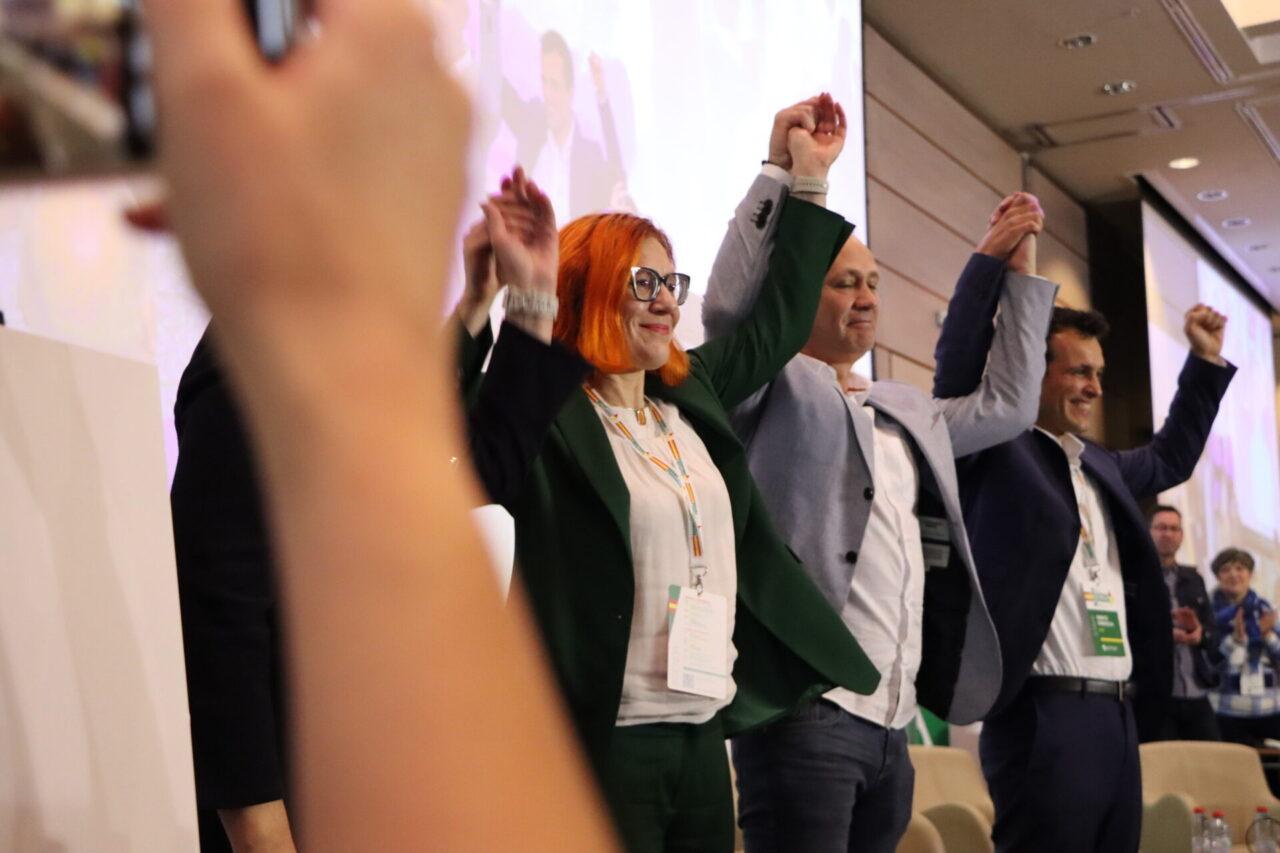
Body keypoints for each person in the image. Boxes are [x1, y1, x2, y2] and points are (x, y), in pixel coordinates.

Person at [146, 0, 617, 848]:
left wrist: (522, 300)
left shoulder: (339, 357)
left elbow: (475, 466)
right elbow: (222, 623)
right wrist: (262, 830)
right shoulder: (247, 367)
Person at [460, 94, 880, 852]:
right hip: (602, 742)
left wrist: (803, 176)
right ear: (587, 287)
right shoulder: (544, 413)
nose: (666, 304)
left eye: (670, 283)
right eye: (642, 283)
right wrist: (491, 297)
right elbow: (451, 437)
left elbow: (781, 321)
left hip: (703, 733)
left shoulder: (691, 394)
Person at [700, 103, 1058, 850]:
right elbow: (732, 309)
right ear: (803, 291)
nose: (865, 298)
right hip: (805, 712)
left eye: (872, 283)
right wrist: (789, 176)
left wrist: (1016, 277)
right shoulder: (770, 385)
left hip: (894, 722)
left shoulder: (905, 408)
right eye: (842, 283)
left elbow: (1009, 406)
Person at [936, 303, 1235, 852]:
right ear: (1032, 369)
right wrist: (999, 271)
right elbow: (958, 371)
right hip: (1044, 713)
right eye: (1079, 371)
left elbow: (1171, 457)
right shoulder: (996, 451)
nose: (1095, 387)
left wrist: (1204, 361)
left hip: (1117, 714)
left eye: (1098, 373)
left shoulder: (1100, 464)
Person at [499, 29, 621, 220]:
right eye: (544, 82)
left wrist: (602, 97)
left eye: (554, 85)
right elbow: (501, 90)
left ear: (570, 92)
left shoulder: (589, 156)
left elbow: (617, 178)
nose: (547, 94)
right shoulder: (532, 130)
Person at [1147, 504, 1222, 741]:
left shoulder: (1194, 578)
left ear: (1181, 536)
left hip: (1196, 691)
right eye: (1161, 528)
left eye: (1173, 529)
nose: (1167, 534)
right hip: (1157, 694)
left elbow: (1212, 632)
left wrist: (1198, 632)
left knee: (1213, 760)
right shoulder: (1135, 576)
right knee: (1164, 762)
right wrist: (1165, 635)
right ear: (1149, 531)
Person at [1208, 548, 1280, 754]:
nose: (1233, 574)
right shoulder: (1208, 612)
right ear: (1217, 576)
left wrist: (1267, 636)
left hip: (1269, 709)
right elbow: (1206, 662)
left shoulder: (1266, 610)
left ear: (1250, 574)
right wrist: (1234, 641)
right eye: (1226, 569)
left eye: (1240, 568)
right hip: (1226, 711)